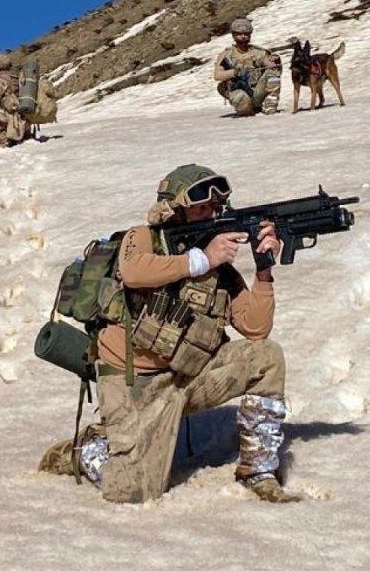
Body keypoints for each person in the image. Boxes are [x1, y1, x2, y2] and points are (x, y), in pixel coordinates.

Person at [40, 164, 300, 503]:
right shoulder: (144, 238)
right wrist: (200, 260)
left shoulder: (216, 264)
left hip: (188, 377)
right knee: (134, 492)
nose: (211, 212)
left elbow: (255, 326)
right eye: (200, 205)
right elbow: (133, 272)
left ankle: (258, 470)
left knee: (266, 357)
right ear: (174, 207)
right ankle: (88, 450)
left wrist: (264, 270)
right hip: (134, 384)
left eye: (215, 206)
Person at [213, 18, 281, 116]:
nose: (244, 37)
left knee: (273, 74)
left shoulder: (258, 52)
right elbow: (217, 75)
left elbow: (273, 68)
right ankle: (247, 110)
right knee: (240, 99)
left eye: (246, 34)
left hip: (257, 91)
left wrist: (275, 60)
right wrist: (235, 72)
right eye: (240, 34)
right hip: (238, 92)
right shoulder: (226, 55)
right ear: (234, 35)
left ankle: (270, 108)